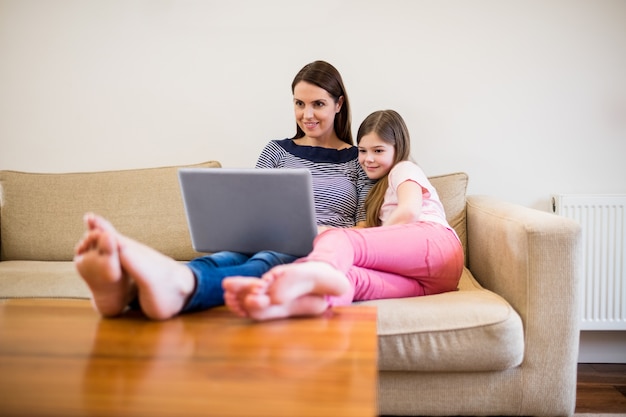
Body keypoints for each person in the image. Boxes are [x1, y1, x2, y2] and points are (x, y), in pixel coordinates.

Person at [74, 60, 372, 320]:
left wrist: (321, 232)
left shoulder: (361, 159)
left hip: (319, 252)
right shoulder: (277, 152)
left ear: (339, 104)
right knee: (223, 258)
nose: (307, 114)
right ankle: (129, 292)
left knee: (266, 262)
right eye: (299, 103)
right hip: (265, 240)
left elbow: (364, 231)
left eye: (318, 104)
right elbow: (254, 210)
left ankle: (160, 288)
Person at [222, 110, 465, 321]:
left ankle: (300, 274)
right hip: (430, 282)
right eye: (362, 151)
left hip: (437, 244)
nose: (368, 159)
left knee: (339, 238)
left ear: (398, 148)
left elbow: (409, 210)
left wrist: (355, 240)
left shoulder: (404, 169)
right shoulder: (376, 190)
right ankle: (279, 306)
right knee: (350, 280)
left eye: (378, 150)